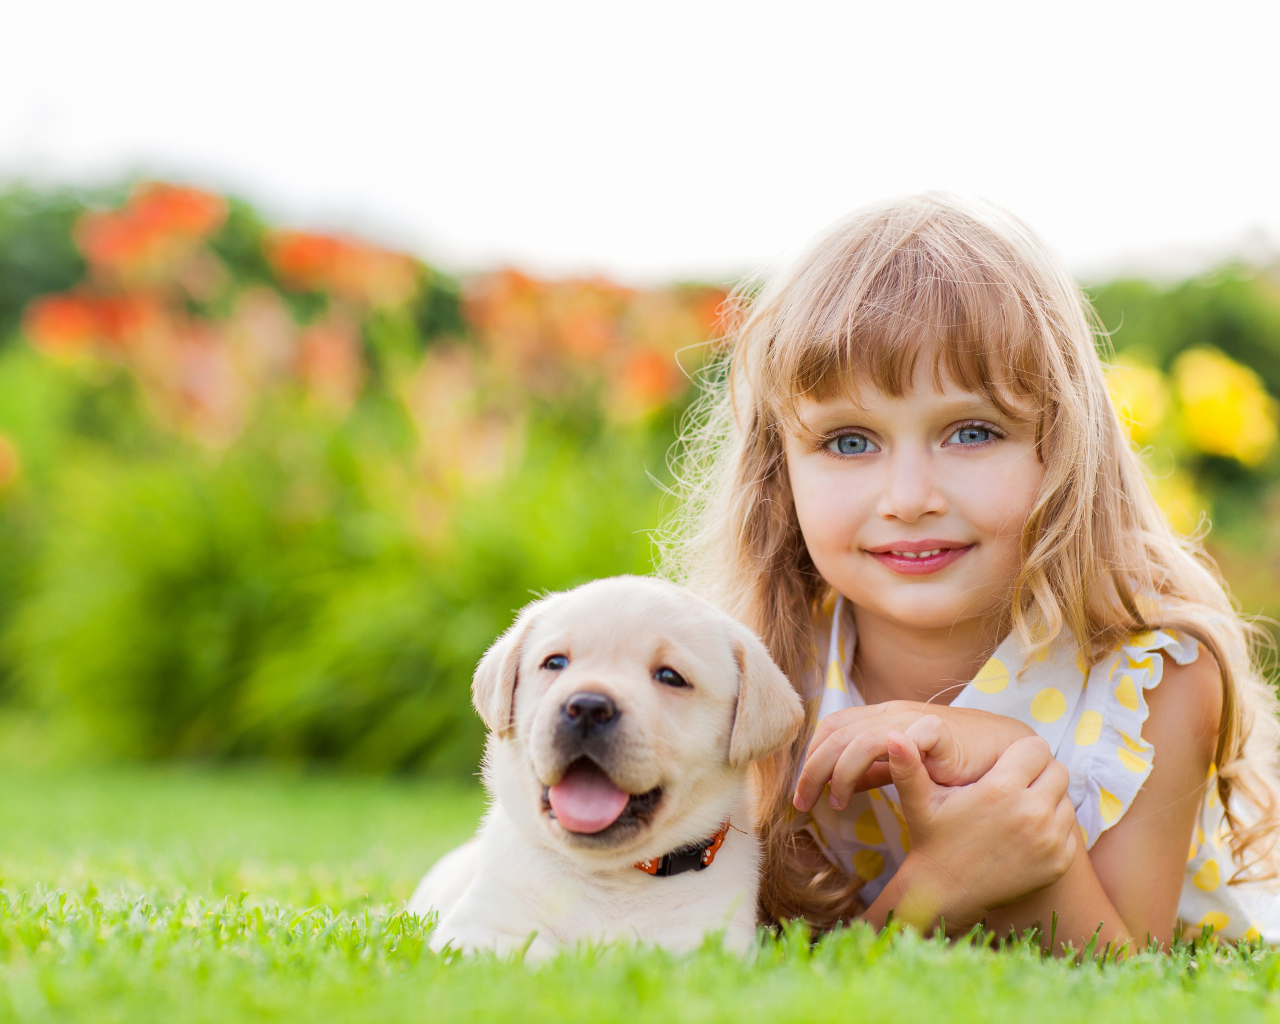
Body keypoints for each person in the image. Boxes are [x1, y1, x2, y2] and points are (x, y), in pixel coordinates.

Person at [660, 193, 1280, 951]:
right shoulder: (763, 676)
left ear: (1061, 444)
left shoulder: (1151, 679)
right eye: (850, 442)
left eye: (972, 432)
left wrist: (1022, 831)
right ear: (778, 473)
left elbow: (1125, 971)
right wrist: (943, 882)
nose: (911, 498)